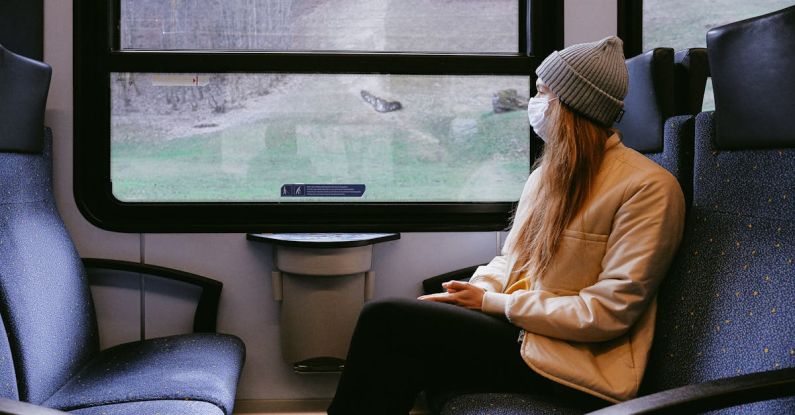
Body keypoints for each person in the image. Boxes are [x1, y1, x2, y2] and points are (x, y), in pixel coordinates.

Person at [327, 36, 685, 415]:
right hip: (528, 334)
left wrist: (492, 303)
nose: (535, 104)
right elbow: (512, 260)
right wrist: (474, 292)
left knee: (387, 321)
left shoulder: (648, 188)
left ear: (572, 105)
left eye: (543, 93)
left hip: (576, 361)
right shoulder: (549, 175)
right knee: (400, 339)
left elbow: (607, 312)